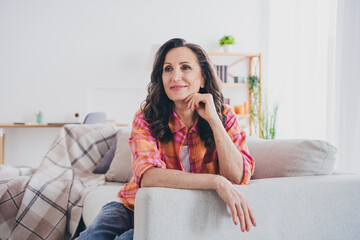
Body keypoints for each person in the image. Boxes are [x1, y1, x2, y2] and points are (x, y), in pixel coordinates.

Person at [76, 38, 256, 240]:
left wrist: (214, 121)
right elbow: (148, 176)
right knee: (90, 237)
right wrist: (216, 181)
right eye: (168, 69)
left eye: (185, 67)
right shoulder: (146, 116)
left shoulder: (224, 116)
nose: (175, 76)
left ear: (203, 78)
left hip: (178, 212)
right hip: (134, 203)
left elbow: (237, 178)